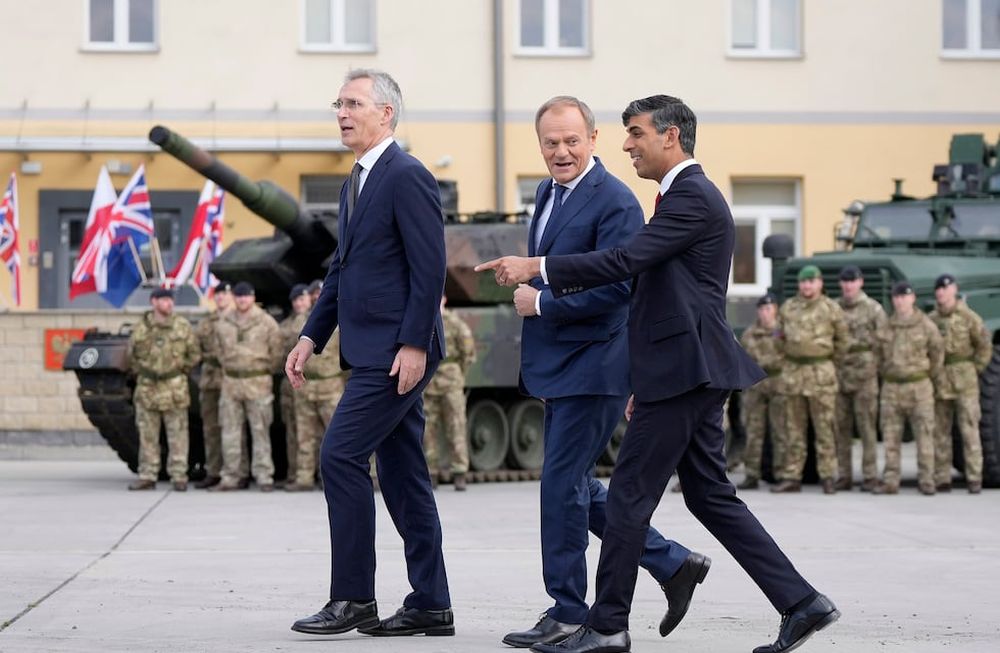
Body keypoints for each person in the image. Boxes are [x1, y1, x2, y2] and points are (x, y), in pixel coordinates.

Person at [476, 95, 838, 653]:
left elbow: (624, 265)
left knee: (626, 498)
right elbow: (658, 296)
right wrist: (639, 374)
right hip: (679, 369)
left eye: (636, 133)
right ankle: (802, 603)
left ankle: (606, 626)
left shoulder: (692, 198)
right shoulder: (678, 198)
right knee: (710, 496)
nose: (628, 144)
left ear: (671, 137)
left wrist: (539, 269)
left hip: (685, 372)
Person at [502, 96, 705, 650]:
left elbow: (619, 288)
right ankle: (672, 562)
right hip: (560, 364)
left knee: (560, 487)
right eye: (550, 142)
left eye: (572, 140)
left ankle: (569, 609)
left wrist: (540, 303)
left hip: (596, 364)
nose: (561, 152)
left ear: (592, 138)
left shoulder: (614, 200)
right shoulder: (547, 192)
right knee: (577, 486)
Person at [285, 69, 453, 638]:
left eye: (353, 103)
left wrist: (412, 344)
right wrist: (310, 336)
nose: (341, 112)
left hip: (393, 354)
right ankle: (431, 602)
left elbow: (430, 270)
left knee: (339, 457)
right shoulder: (355, 181)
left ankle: (354, 598)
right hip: (368, 349)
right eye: (338, 103)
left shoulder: (407, 176)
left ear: (387, 113)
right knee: (405, 478)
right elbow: (342, 271)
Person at [773, 265, 848, 494]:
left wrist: (826, 362)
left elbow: (843, 342)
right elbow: (778, 336)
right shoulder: (788, 308)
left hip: (821, 374)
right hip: (794, 374)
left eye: (811, 281)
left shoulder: (831, 309)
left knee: (825, 428)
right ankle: (792, 476)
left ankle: (827, 476)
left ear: (820, 283)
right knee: (793, 429)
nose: (807, 285)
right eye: (803, 282)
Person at [211, 281, 284, 492]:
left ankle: (264, 476)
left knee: (260, 430)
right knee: (230, 431)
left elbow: (276, 353)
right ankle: (233, 476)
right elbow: (219, 352)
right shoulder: (223, 323)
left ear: (253, 298)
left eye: (247, 295)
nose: (243, 299)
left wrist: (259, 370)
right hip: (231, 382)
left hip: (258, 382)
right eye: (239, 296)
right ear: (234, 297)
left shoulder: (266, 322)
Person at [127, 287, 200, 491]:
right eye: (164, 300)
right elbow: (132, 357)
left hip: (173, 387)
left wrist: (177, 371)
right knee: (147, 435)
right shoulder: (141, 328)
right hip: (148, 388)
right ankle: (147, 474)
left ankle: (179, 475)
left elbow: (194, 354)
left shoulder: (182, 326)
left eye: (170, 300)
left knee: (178, 434)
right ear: (154, 302)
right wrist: (146, 373)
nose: (169, 303)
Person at [874, 281, 944, 495]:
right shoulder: (886, 325)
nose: (900, 300)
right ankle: (891, 479)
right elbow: (877, 355)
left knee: (924, 436)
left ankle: (926, 479)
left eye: (904, 296)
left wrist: (923, 375)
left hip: (919, 387)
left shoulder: (925, 324)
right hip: (892, 388)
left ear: (912, 298)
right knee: (890, 437)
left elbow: (937, 354)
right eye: (896, 297)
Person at [929, 273, 991, 494]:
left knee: (969, 430)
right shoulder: (932, 320)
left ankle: (974, 477)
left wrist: (975, 369)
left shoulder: (969, 317)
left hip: (965, 380)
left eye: (946, 288)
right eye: (939, 289)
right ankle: (942, 477)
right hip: (941, 379)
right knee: (940, 432)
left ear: (954, 290)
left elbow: (984, 345)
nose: (942, 292)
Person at [834, 265, 887, 492]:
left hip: (865, 377)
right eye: (845, 281)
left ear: (861, 282)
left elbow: (884, 342)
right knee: (841, 429)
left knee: (867, 429)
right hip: (840, 375)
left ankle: (870, 476)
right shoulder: (834, 308)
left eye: (853, 281)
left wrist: (875, 367)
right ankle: (844, 475)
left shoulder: (873, 309)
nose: (848, 285)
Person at [422, 295, 475, 491]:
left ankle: (460, 472)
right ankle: (431, 472)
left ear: (444, 299)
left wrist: (457, 375)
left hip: (451, 380)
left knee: (456, 426)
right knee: (428, 430)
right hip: (429, 381)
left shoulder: (455, 323)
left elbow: (467, 354)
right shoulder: (424, 320)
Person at [288, 325, 348, 491]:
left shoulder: (340, 321)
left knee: (338, 436)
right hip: (306, 386)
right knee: (304, 435)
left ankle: (335, 478)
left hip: (331, 386)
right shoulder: (301, 322)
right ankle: (304, 477)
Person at [738, 292, 785, 490]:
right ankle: (751, 473)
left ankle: (781, 472)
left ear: (775, 310)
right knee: (754, 430)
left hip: (779, 383)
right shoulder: (750, 334)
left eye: (768, 309)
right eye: (762, 309)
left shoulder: (784, 332)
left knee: (780, 430)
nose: (765, 313)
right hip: (756, 385)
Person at [194, 281, 238, 489]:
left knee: (234, 427)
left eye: (225, 294)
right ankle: (213, 470)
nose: (221, 298)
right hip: (210, 378)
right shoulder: (207, 323)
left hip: (234, 377)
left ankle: (238, 472)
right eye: (218, 294)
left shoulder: (239, 319)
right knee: (211, 427)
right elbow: (194, 350)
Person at [279, 284, 313, 486]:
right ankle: (300, 475)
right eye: (296, 300)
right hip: (295, 384)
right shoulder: (286, 326)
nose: (299, 303)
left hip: (327, 384)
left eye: (303, 299)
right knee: (299, 433)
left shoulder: (322, 320)